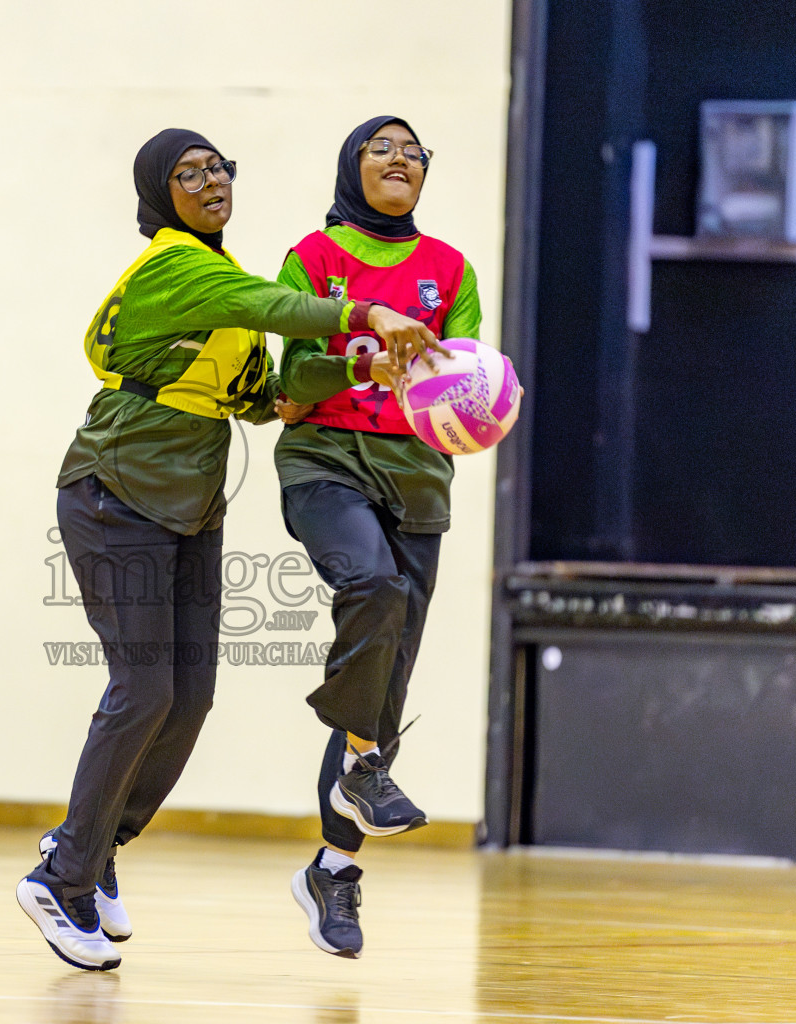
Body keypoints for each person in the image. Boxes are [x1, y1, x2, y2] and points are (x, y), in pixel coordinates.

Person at [16, 128, 441, 972]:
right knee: (142, 689)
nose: (211, 181)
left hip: (191, 507)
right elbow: (275, 307)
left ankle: (96, 851)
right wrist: (365, 311)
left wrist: (360, 364)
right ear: (158, 193)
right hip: (115, 493)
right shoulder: (180, 267)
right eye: (189, 172)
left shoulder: (223, 283)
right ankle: (60, 876)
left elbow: (275, 396)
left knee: (190, 697)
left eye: (220, 168)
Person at [274, 116, 480, 959]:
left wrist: (476, 397)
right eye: (381, 147)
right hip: (326, 459)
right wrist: (362, 359)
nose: (400, 158)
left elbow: (466, 382)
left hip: (418, 478)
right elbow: (290, 377)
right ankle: (363, 764)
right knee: (373, 587)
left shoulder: (451, 269)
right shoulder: (314, 257)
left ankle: (334, 869)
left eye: (414, 151)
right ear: (350, 167)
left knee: (387, 683)